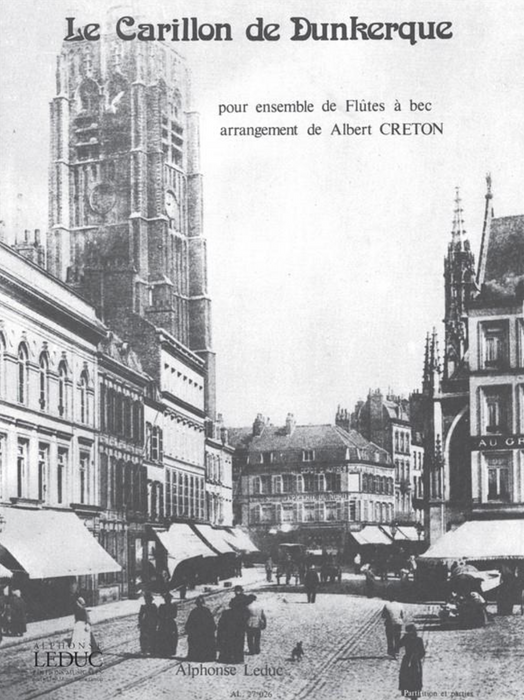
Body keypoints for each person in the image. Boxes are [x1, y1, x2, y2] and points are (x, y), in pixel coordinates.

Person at [185, 596, 216, 662]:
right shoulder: (206, 611)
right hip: (204, 633)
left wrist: (188, 629)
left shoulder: (194, 611)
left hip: (198, 633)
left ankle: (196, 656)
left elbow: (189, 623)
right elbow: (211, 623)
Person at [398, 624, 425, 698]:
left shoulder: (410, 639)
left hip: (410, 662)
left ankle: (411, 695)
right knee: (412, 679)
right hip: (413, 662)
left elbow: (398, 646)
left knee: (410, 679)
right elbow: (422, 652)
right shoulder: (417, 639)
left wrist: (416, 657)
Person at [217, 599, 247, 663]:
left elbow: (221, 623)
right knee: (238, 645)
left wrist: (221, 632)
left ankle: (226, 658)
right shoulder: (240, 613)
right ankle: (238, 658)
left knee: (227, 645)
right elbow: (243, 624)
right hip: (237, 633)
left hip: (228, 632)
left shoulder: (226, 613)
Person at [381, 593, 404, 658]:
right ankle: (397, 651)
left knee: (390, 638)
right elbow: (402, 616)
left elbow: (383, 615)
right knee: (397, 638)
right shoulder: (400, 605)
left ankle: (391, 652)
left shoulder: (387, 605)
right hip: (398, 623)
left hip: (390, 623)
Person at [156, 592, 178, 658]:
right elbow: (159, 614)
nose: (167, 600)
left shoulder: (173, 606)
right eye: (166, 599)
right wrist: (162, 617)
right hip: (163, 622)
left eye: (168, 599)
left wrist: (168, 617)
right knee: (162, 636)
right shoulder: (162, 606)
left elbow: (175, 615)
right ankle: (162, 650)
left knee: (172, 636)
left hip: (170, 622)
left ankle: (171, 650)